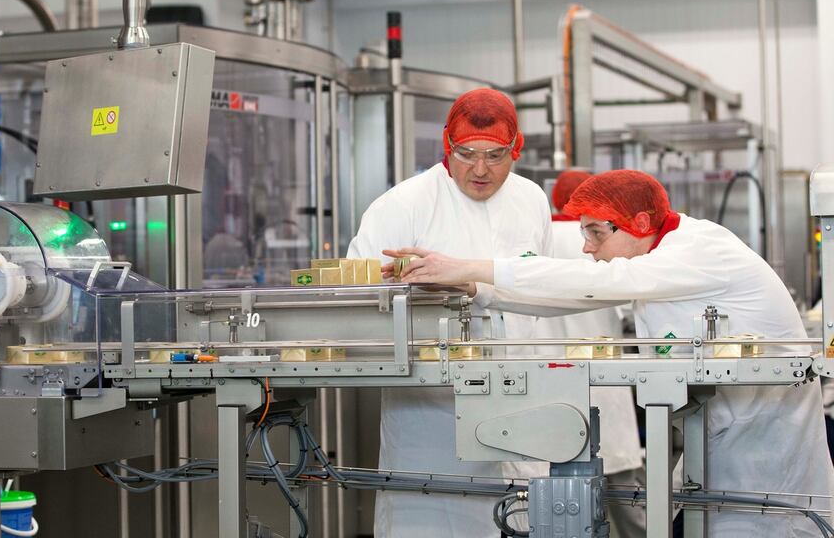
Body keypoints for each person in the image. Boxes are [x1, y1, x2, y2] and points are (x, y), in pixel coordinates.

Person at [388, 169, 834, 536]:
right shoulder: (659, 255)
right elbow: (574, 297)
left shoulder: (698, 250)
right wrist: (474, 288)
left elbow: (596, 284)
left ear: (639, 222)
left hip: (763, 453)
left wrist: (463, 264)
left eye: (596, 234)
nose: (586, 247)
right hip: (721, 442)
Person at [346, 87, 552, 537]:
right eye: (466, 153)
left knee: (522, 517)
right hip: (432, 407)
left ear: (516, 148)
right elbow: (357, 298)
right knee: (432, 518)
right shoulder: (403, 204)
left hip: (520, 396)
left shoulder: (532, 199)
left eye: (495, 155)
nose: (480, 169)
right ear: (447, 145)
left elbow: (540, 287)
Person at [537, 170, 645, 535]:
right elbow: (633, 308)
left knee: (562, 510)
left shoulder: (540, 240)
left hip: (552, 392)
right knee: (629, 509)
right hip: (605, 390)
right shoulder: (604, 240)